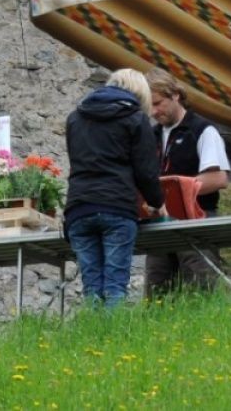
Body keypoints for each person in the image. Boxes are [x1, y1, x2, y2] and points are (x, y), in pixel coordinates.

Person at [63, 68, 164, 308]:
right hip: (116, 207)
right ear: (140, 93)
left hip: (79, 208)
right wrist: (156, 202)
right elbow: (146, 171)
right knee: (115, 286)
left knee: (92, 288)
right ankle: (113, 332)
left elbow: (76, 161)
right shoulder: (136, 118)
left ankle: (94, 330)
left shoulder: (75, 118)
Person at [144, 68, 230, 295]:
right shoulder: (149, 135)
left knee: (201, 290)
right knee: (156, 292)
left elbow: (219, 178)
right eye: (149, 106)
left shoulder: (202, 130)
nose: (153, 112)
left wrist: (176, 189)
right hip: (159, 223)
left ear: (175, 95)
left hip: (197, 220)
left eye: (158, 103)